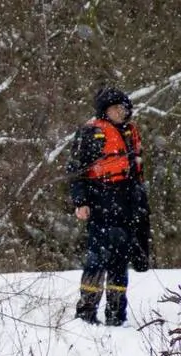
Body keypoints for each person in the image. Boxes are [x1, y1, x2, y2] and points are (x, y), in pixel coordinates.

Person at [68, 87, 149, 326]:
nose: (121, 112)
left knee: (119, 260)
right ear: (105, 110)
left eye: (124, 108)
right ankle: (86, 313)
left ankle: (116, 315)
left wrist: (140, 206)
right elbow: (76, 171)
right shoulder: (91, 133)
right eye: (116, 108)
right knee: (96, 258)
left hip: (126, 203)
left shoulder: (130, 133)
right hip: (100, 201)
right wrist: (81, 202)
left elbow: (137, 173)